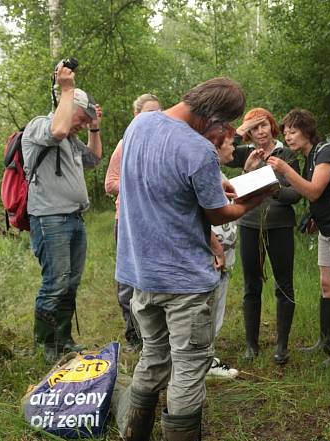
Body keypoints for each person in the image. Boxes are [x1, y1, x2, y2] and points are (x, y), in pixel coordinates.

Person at [115, 77, 268, 441]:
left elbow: (166, 188)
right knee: (188, 365)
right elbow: (217, 215)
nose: (225, 132)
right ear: (213, 116)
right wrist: (253, 200)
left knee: (153, 354)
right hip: (183, 279)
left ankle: (133, 433)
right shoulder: (197, 150)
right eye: (224, 124)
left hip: (141, 272)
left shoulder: (139, 124)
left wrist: (220, 188)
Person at [266, 109, 330, 366]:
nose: (288, 137)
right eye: (285, 133)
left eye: (293, 132)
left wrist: (285, 170)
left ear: (307, 131)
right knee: (327, 284)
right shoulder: (310, 157)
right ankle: (326, 341)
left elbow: (314, 191)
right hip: (326, 227)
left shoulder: (326, 152)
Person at [23, 62, 103, 363]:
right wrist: (66, 89)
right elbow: (58, 126)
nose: (80, 125)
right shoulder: (41, 127)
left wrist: (94, 127)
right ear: (67, 107)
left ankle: (64, 340)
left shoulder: (71, 139)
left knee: (70, 283)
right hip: (50, 219)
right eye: (81, 119)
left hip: (74, 218)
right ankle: (44, 347)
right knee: (55, 283)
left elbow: (94, 159)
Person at [227, 108, 301, 364]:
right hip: (249, 224)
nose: (260, 132)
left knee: (284, 284)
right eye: (254, 127)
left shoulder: (287, 154)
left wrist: (274, 188)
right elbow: (219, 151)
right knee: (251, 285)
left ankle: (282, 346)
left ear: (272, 127)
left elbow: (296, 194)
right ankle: (251, 345)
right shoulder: (245, 154)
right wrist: (240, 132)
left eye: (263, 125)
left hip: (280, 225)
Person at [104, 93, 161, 353]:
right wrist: (139, 187)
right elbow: (110, 183)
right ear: (136, 116)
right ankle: (133, 335)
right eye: (148, 112)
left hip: (157, 220)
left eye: (158, 112)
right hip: (127, 220)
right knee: (129, 279)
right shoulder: (125, 144)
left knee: (153, 276)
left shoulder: (163, 144)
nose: (154, 117)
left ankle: (155, 334)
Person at [207, 126, 241, 379]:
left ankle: (206, 355)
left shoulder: (216, 172)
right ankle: (205, 361)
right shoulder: (206, 174)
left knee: (217, 301)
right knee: (209, 304)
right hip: (211, 252)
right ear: (215, 147)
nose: (234, 147)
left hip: (224, 249)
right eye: (229, 143)